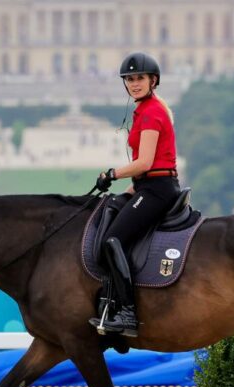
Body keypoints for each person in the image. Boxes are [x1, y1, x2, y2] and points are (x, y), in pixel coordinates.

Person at [89, 52, 181, 338]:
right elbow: (145, 171)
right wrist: (127, 191)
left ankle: (127, 311)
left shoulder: (153, 112)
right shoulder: (142, 110)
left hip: (158, 190)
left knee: (113, 239)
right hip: (147, 187)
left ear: (153, 80)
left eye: (139, 78)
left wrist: (112, 174)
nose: (134, 83)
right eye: (129, 79)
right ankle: (110, 302)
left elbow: (145, 163)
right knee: (110, 211)